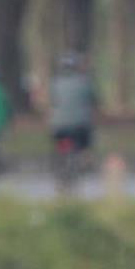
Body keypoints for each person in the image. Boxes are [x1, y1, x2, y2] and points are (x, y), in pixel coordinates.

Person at [49, 52, 98, 188]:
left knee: (59, 144)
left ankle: (59, 164)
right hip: (80, 124)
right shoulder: (85, 81)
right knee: (85, 141)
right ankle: (86, 158)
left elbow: (53, 101)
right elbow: (93, 100)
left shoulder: (55, 83)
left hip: (59, 125)